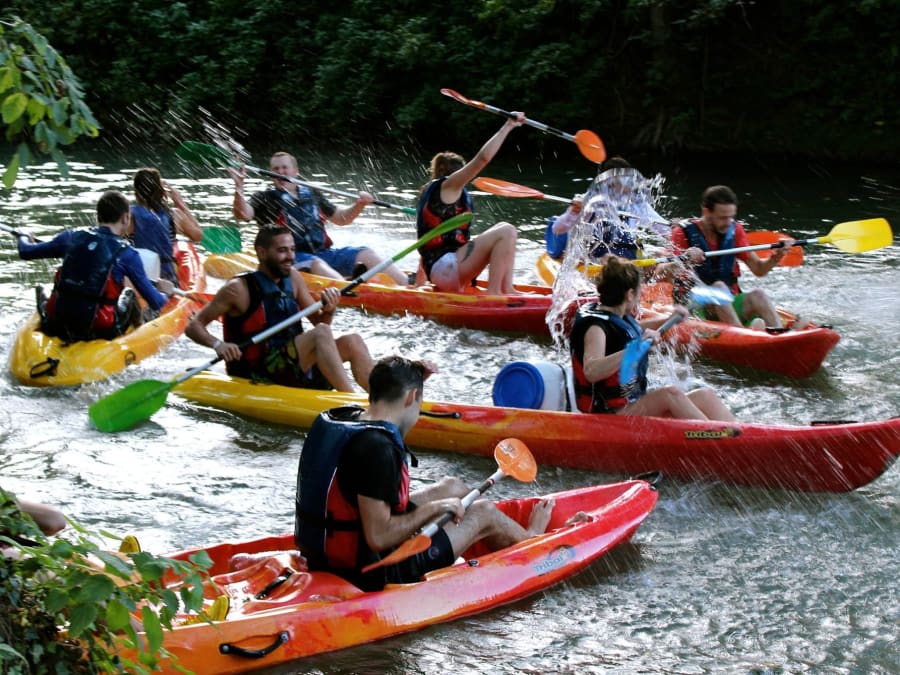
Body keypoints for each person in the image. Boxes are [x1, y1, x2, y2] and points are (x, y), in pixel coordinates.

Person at [294, 355, 557, 591]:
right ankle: (531, 542)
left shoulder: (347, 419)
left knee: (453, 485)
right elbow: (378, 537)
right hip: (372, 570)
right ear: (410, 397)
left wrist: (412, 377)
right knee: (485, 511)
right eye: (419, 401)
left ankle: (475, 539)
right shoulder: (377, 449)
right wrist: (435, 509)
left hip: (325, 552)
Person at [185, 224, 373, 392]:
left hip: (293, 365)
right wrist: (219, 345)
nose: (290, 257)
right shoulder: (237, 289)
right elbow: (193, 326)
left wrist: (330, 309)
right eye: (282, 251)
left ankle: (381, 400)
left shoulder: (294, 278)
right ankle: (352, 401)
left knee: (352, 341)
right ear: (262, 253)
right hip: (258, 370)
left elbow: (320, 322)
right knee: (322, 333)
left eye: (292, 250)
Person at [570, 256, 735, 420]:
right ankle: (715, 439)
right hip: (609, 414)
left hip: (631, 404)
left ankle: (737, 437)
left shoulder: (616, 313)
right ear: (629, 294)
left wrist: (667, 319)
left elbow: (633, 330)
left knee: (705, 396)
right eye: (639, 293)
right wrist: (636, 347)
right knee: (669, 394)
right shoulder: (595, 328)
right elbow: (591, 371)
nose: (639, 298)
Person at [17, 191, 174, 342]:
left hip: (57, 321)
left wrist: (23, 235)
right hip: (99, 329)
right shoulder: (128, 254)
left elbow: (25, 251)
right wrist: (164, 292)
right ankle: (137, 337)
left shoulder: (71, 236)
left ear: (97, 216)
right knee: (130, 294)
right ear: (126, 218)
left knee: (43, 288)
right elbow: (155, 301)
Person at [229, 152, 407, 285]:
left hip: (322, 253)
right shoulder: (265, 198)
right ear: (270, 173)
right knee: (316, 262)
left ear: (295, 171)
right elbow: (243, 214)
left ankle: (409, 284)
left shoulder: (312, 193)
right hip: (291, 258)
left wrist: (359, 205)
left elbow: (341, 218)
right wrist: (239, 187)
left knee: (365, 252)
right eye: (275, 169)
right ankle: (350, 289)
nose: (280, 172)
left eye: (284, 168)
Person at [416, 114, 525, 294]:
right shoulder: (448, 186)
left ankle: (506, 289)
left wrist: (419, 284)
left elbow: (428, 244)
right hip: (446, 268)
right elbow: (482, 159)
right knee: (507, 231)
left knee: (504, 227)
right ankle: (495, 294)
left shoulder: (440, 194)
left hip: (445, 269)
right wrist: (508, 126)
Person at [671, 185, 793, 330]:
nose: (728, 223)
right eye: (722, 218)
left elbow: (759, 269)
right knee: (719, 287)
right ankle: (744, 337)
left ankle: (778, 336)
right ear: (706, 212)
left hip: (728, 302)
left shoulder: (735, 231)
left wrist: (776, 257)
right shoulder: (682, 234)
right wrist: (685, 259)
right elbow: (662, 272)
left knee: (759, 295)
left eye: (731, 217)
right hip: (695, 306)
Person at [546, 157, 669, 262]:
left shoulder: (636, 204)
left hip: (628, 259)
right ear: (610, 181)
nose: (631, 183)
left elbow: (662, 227)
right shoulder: (593, 201)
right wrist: (573, 213)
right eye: (624, 179)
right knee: (610, 259)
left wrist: (677, 228)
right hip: (599, 261)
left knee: (663, 262)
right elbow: (557, 229)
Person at [130, 167, 203, 286]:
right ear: (161, 191)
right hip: (167, 280)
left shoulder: (128, 215)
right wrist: (181, 205)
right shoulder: (174, 215)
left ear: (136, 192)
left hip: (138, 278)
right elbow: (198, 235)